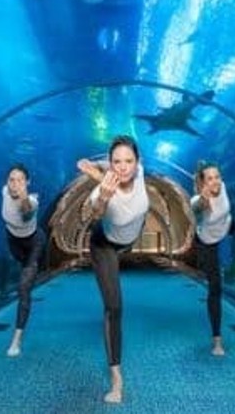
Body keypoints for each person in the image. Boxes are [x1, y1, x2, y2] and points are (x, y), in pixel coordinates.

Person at [77, 134, 149, 404]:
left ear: (137, 162)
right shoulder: (102, 190)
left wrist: (92, 165)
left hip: (132, 234)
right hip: (104, 243)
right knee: (114, 307)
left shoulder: (140, 172)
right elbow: (95, 213)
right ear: (111, 163)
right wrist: (103, 196)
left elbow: (115, 165)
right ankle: (117, 378)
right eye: (116, 162)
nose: (122, 167)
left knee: (135, 223)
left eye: (128, 161)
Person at [1, 162, 43, 357]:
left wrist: (25, 198)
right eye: (11, 180)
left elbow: (26, 213)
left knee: (23, 289)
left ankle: (16, 340)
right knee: (22, 267)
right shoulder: (4, 192)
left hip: (33, 243)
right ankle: (30, 270)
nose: (14, 184)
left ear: (27, 182)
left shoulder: (32, 203)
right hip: (13, 243)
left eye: (20, 180)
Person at [191, 160, 232, 356]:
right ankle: (217, 341)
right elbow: (197, 207)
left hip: (225, 232)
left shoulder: (222, 186)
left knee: (220, 284)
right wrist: (203, 199)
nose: (215, 181)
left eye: (217, 177)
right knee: (214, 287)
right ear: (203, 183)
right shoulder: (198, 200)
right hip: (206, 243)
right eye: (210, 179)